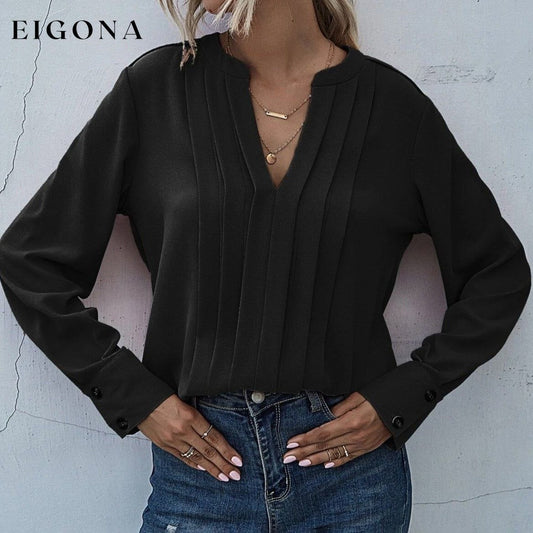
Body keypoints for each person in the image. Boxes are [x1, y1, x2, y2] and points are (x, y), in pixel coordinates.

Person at [0, 0, 530, 531]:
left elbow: (498, 273)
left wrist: (407, 394)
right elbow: (30, 260)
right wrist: (135, 397)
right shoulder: (156, 90)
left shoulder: (392, 108)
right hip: (202, 472)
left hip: (352, 481)